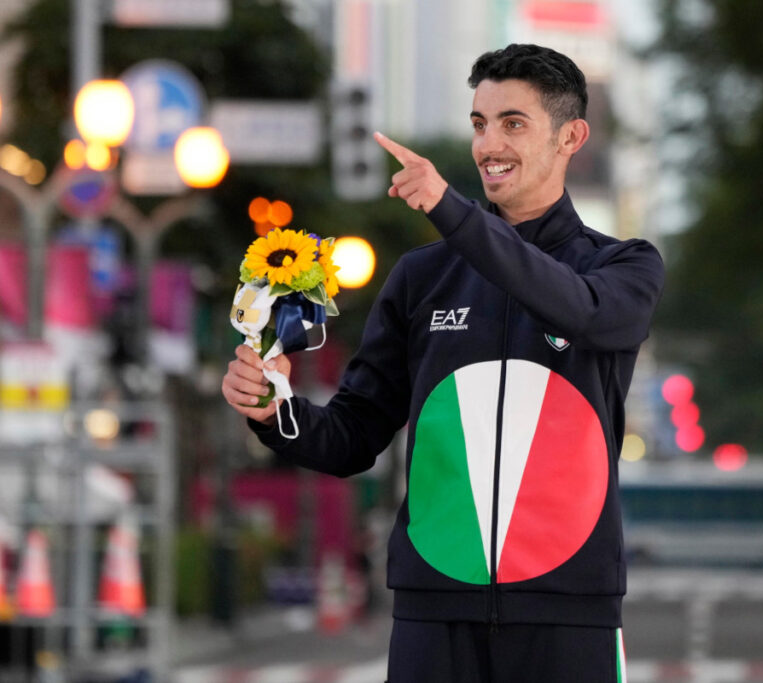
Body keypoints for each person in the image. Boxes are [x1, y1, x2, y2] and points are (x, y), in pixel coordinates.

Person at [221, 43, 664, 683]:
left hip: (569, 604)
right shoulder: (421, 277)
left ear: (572, 137)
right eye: (480, 123)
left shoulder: (621, 265)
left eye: (514, 123)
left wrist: (449, 210)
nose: (490, 145)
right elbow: (352, 437)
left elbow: (586, 314)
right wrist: (273, 410)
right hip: (434, 607)